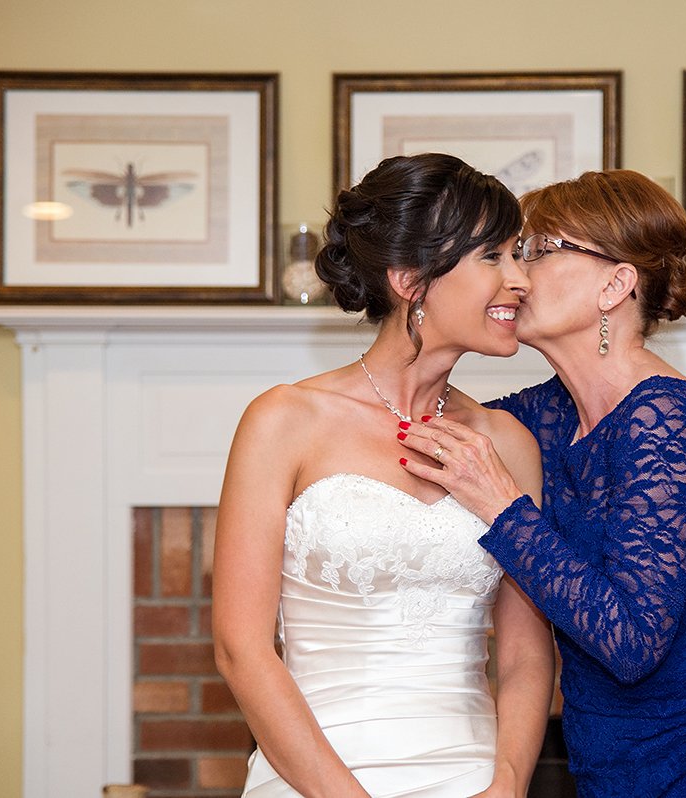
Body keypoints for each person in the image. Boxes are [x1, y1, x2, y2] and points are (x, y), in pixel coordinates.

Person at [397, 169, 686, 797]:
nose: (519, 276)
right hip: (605, 771)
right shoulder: (547, 414)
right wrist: (422, 312)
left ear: (616, 284)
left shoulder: (670, 419)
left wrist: (503, 507)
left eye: (540, 251)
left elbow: (631, 641)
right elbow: (428, 421)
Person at [212, 153, 554, 798]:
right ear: (409, 280)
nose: (520, 281)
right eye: (493, 258)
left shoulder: (510, 443)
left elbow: (523, 653)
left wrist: (507, 783)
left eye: (519, 256)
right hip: (314, 777)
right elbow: (241, 648)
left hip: (472, 774)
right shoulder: (285, 420)